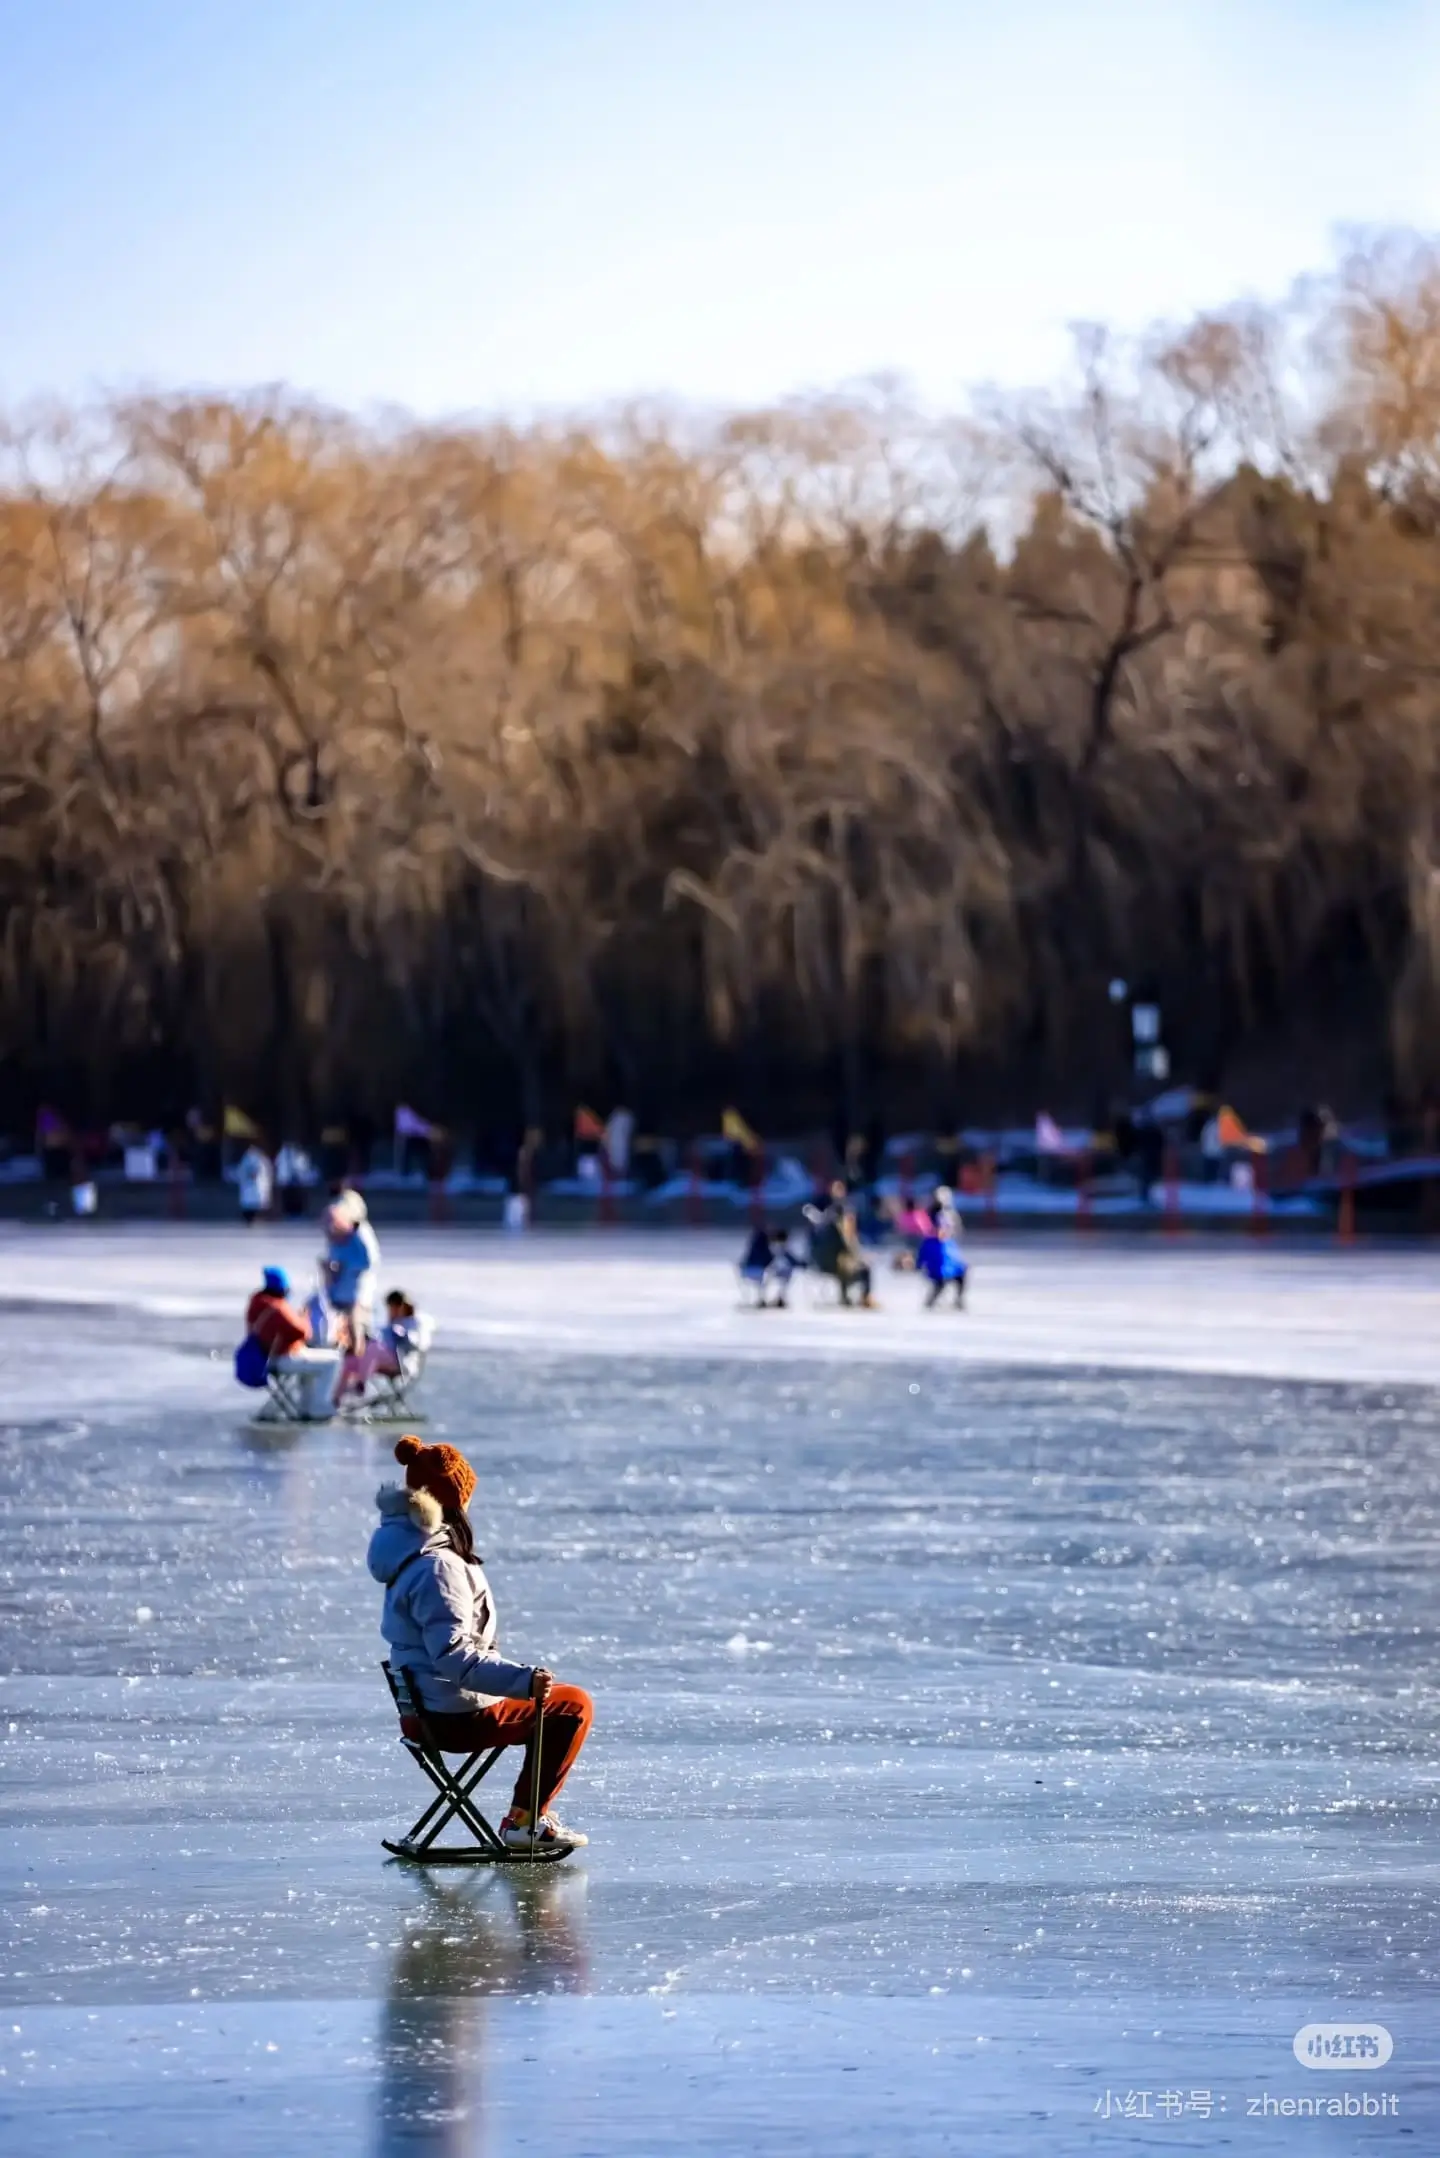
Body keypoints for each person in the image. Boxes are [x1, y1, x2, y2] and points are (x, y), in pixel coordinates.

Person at [368, 1436, 592, 1851]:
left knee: (562, 1700)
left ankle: (527, 1818)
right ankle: (527, 1821)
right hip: (454, 1717)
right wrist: (523, 1681)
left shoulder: (409, 1555)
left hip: (429, 1711)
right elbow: (456, 1657)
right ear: (451, 1504)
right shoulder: (439, 1568)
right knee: (574, 1705)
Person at [242, 1264, 340, 1417]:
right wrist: (304, 1316)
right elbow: (303, 1332)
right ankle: (318, 1407)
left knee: (314, 1367)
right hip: (282, 1359)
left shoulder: (256, 1304)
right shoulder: (278, 1308)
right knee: (334, 1362)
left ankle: (306, 1407)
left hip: (267, 1359)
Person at [339, 1288, 433, 1400]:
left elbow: (419, 1344)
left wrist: (403, 1335)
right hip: (386, 1357)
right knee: (350, 1359)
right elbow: (383, 1337)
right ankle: (337, 1398)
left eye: (393, 1307)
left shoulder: (416, 1322)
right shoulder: (394, 1322)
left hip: (402, 1362)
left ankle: (360, 1384)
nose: (391, 1311)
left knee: (373, 1348)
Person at [324, 1187, 381, 1347]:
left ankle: (360, 1360)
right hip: (338, 1291)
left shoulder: (361, 1233)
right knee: (338, 1331)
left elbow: (370, 1261)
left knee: (356, 1329)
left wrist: (347, 1266)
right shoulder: (338, 1235)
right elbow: (333, 1256)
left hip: (357, 1291)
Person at [917, 1199, 967, 1309]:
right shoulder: (934, 1241)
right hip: (941, 1270)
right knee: (942, 1283)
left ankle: (957, 1300)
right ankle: (931, 1302)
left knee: (958, 1276)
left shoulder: (942, 1241)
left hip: (947, 1268)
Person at [236, 1141, 273, 1225]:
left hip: (255, 1185)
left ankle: (254, 1218)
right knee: (250, 1202)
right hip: (249, 1185)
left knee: (255, 1202)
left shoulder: (260, 1159)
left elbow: (264, 1170)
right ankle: (250, 1218)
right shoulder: (247, 1158)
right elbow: (242, 1171)